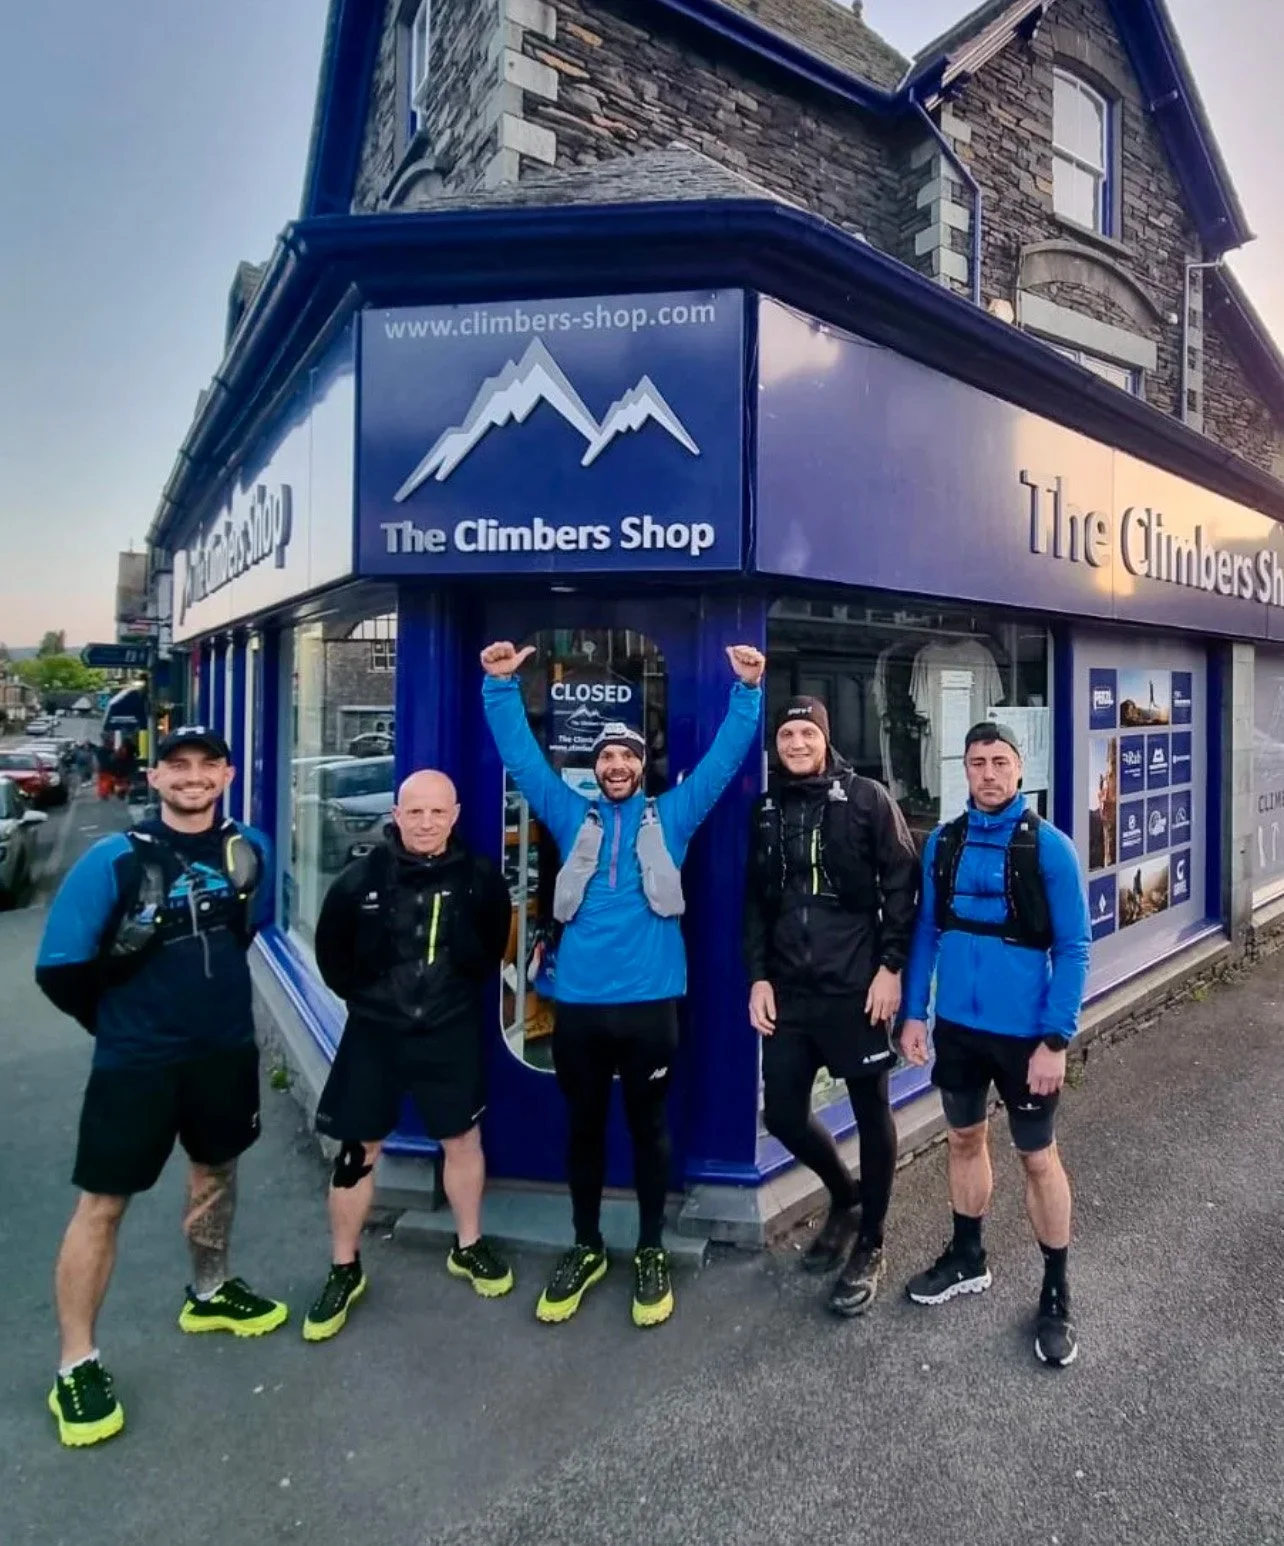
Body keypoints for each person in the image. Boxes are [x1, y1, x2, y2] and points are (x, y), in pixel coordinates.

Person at [481, 639, 764, 1329]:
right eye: (606, 757)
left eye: (627, 756)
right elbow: (520, 757)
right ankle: (585, 1245)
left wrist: (748, 691)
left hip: (650, 1009)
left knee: (647, 1131)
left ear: (642, 767)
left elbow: (726, 761)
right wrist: (499, 687)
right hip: (578, 1009)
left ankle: (647, 1248)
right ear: (595, 766)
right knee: (581, 1129)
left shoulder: (670, 816)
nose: (616, 765)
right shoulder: (569, 815)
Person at [35, 726, 283, 1448]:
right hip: (136, 1064)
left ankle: (209, 1292)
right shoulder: (111, 861)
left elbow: (247, 931)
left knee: (216, 1172)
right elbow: (59, 969)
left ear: (228, 775)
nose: (194, 778)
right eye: (179, 766)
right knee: (102, 1205)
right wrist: (120, 1027)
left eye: (208, 765)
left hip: (223, 1052)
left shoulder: (251, 850)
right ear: (155, 776)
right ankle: (75, 1362)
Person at [900, 721, 1091, 1368]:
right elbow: (926, 931)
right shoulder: (944, 845)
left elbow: (1073, 948)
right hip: (957, 1028)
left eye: (999, 762)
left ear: (1018, 769)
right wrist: (914, 1015)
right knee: (963, 1139)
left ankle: (1057, 1289)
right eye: (976, 762)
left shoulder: (1050, 849)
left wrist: (1056, 1039)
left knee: (1038, 1159)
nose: (987, 773)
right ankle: (967, 1256)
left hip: (1024, 1038)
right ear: (965, 770)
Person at [304, 769, 514, 1341]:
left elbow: (493, 944)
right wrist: (373, 1001)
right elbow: (332, 958)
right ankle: (344, 1267)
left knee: (462, 1141)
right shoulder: (358, 880)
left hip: (448, 1028)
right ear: (397, 815)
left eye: (437, 812)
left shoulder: (479, 880)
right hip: (375, 1033)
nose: (426, 823)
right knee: (356, 1151)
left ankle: (468, 1245)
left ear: (455, 815)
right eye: (415, 812)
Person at [744, 696, 919, 1317]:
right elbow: (756, 903)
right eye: (786, 734)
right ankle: (845, 1198)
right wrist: (759, 978)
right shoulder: (765, 809)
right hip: (790, 991)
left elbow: (903, 884)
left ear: (825, 737)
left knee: (872, 1112)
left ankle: (870, 1240)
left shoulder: (867, 798)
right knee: (785, 1115)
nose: (795, 743)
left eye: (805, 732)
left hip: (855, 988)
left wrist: (890, 969)